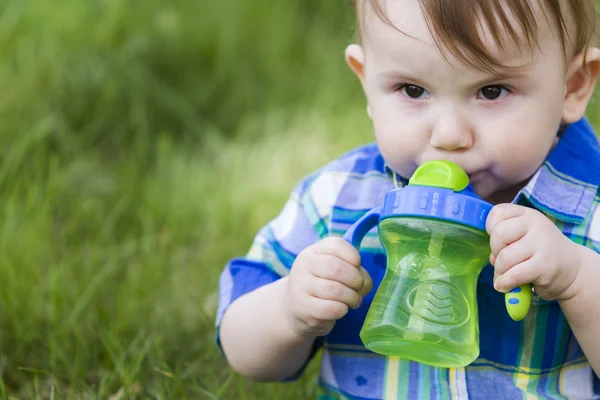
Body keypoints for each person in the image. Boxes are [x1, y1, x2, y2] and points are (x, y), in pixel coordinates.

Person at [215, 0, 600, 398]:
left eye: (491, 90)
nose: (448, 135)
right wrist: (288, 310)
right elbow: (242, 351)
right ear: (367, 81)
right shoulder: (338, 198)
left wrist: (577, 279)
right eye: (413, 90)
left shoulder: (592, 210)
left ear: (572, 86)